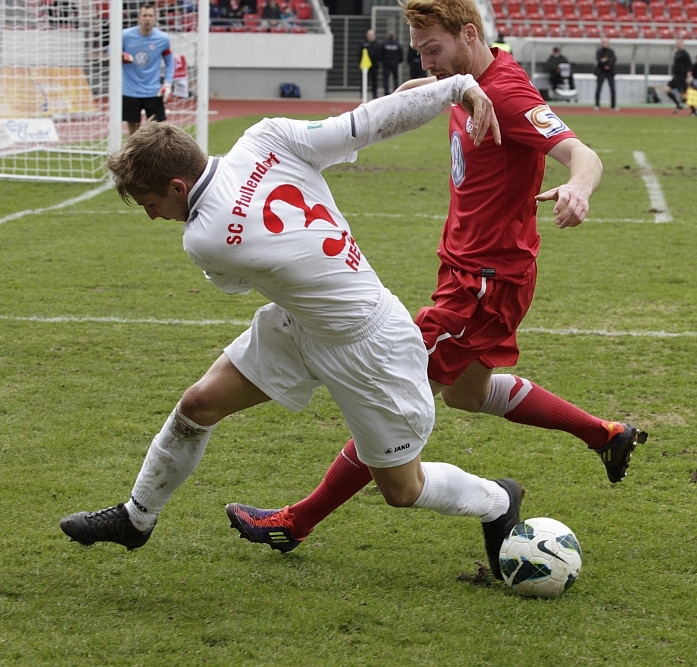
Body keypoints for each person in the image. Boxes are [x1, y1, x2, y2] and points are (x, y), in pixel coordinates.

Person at [223, 0, 647, 577]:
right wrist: (418, 88)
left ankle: (295, 521)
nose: (426, 62)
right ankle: (606, 434)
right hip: (471, 273)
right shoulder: (466, 78)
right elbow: (422, 90)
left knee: (387, 395)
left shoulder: (507, 94)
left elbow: (582, 154)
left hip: (483, 284)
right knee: (466, 395)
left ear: (468, 34)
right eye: (419, 51)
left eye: (433, 50)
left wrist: (579, 187)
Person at [58, 75, 528, 582]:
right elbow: (367, 122)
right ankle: (137, 517)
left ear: (177, 187)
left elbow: (235, 285)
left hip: (369, 344)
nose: (153, 217)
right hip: (301, 322)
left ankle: (498, 500)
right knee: (199, 404)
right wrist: (457, 86)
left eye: (151, 204)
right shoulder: (268, 136)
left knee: (402, 490)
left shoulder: (203, 239)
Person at [121, 3, 174, 135]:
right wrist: (121, 55)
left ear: (155, 18)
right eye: (145, 15)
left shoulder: (162, 39)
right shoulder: (125, 36)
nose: (147, 18)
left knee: (157, 132)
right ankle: (134, 150)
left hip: (153, 91)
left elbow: (169, 61)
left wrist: (167, 83)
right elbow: (111, 50)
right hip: (130, 90)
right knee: (133, 131)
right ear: (139, 17)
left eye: (150, 15)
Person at [666, 38, 690, 113]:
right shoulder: (677, 53)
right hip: (676, 77)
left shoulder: (685, 54)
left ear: (682, 44)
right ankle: (678, 104)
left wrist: (688, 77)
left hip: (682, 77)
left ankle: (694, 110)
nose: (678, 44)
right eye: (677, 43)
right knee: (667, 89)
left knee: (683, 95)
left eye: (680, 43)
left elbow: (689, 66)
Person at [594, 38, 617, 111]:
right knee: (599, 88)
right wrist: (606, 62)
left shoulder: (611, 51)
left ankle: (613, 106)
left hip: (610, 72)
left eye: (606, 43)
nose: (605, 44)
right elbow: (599, 61)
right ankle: (597, 105)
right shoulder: (599, 51)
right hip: (601, 71)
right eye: (604, 43)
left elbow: (613, 59)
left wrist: (606, 61)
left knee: (612, 88)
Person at [381, 31, 404, 96]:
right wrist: (397, 61)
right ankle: (396, 91)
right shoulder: (397, 44)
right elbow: (401, 54)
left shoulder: (384, 44)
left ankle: (386, 92)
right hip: (394, 64)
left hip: (386, 64)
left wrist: (383, 60)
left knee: (386, 78)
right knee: (395, 78)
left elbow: (380, 53)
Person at [362, 29, 382, 99]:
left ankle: (374, 94)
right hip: (365, 65)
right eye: (368, 35)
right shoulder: (364, 43)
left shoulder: (377, 44)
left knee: (374, 80)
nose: (369, 36)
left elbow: (379, 53)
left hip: (374, 65)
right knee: (364, 79)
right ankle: (363, 93)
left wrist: (379, 60)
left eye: (371, 35)